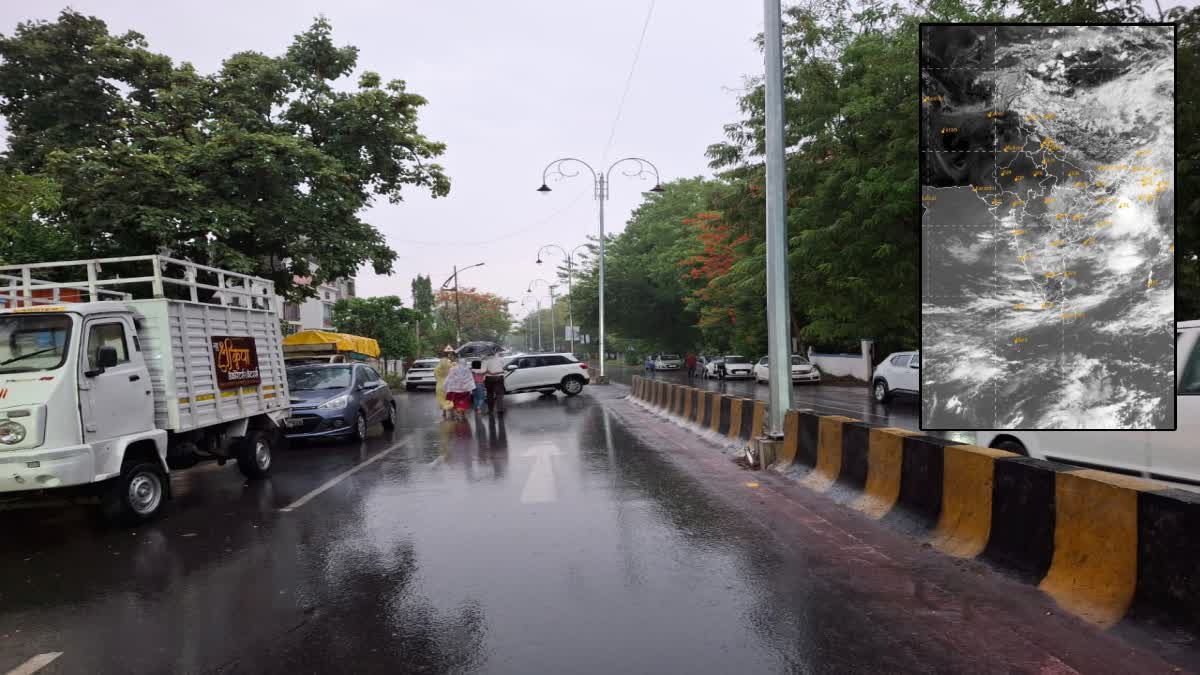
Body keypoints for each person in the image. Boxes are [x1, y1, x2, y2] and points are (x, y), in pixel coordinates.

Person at [482, 350, 507, 415]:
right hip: (499, 378)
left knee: (490, 394)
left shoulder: (485, 360)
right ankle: (500, 410)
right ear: (495, 353)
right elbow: (504, 368)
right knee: (499, 394)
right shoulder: (501, 359)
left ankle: (490, 410)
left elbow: (482, 370)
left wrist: (488, 371)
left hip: (489, 379)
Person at [433, 345, 455, 419]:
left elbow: (435, 376)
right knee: (450, 398)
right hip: (450, 385)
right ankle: (452, 412)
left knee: (442, 399)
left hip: (440, 386)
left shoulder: (437, 368)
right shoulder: (451, 366)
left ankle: (444, 413)